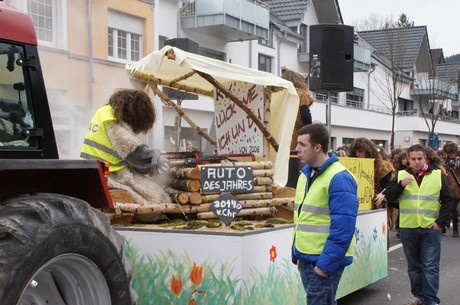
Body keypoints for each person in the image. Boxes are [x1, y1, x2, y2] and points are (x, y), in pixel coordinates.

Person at [292, 123, 359, 305]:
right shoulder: (305, 175)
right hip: (309, 258)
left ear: (317, 147)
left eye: (302, 144)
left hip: (322, 262)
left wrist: (323, 267)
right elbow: (302, 218)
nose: (297, 149)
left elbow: (343, 229)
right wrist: (298, 254)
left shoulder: (339, 178)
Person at [385, 144, 452, 305]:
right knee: (413, 267)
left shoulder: (437, 175)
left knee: (430, 266)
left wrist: (440, 223)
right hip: (408, 228)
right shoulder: (401, 175)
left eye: (419, 158)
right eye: (413, 159)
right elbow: (390, 196)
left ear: (426, 159)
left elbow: (448, 199)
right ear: (408, 160)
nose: (417, 162)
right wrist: (400, 186)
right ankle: (419, 296)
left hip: (430, 228)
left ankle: (431, 299)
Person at [81, 88, 170, 206]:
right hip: (111, 176)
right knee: (157, 197)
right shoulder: (112, 122)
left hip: (95, 172)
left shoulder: (103, 113)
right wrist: (154, 158)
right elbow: (131, 148)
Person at [442, 142, 460, 237]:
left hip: (458, 187)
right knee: (453, 210)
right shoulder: (444, 164)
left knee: (456, 209)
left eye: (453, 152)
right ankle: (455, 229)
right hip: (450, 188)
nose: (452, 154)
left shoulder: (458, 163)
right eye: (450, 153)